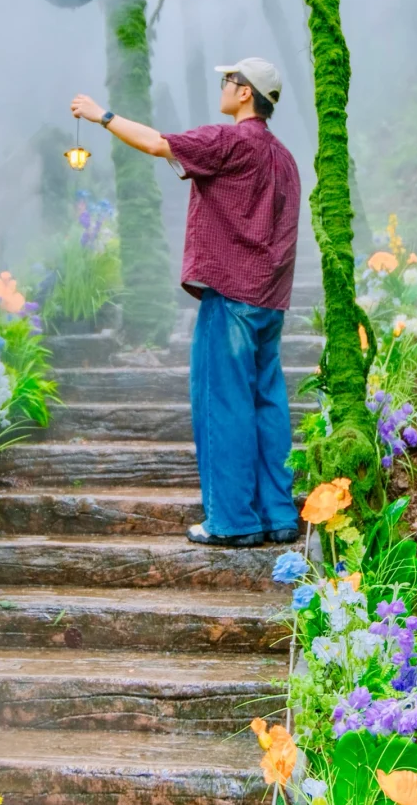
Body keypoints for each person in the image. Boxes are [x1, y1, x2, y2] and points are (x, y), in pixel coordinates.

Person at [71, 56, 300, 548]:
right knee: (267, 402)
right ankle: (279, 513)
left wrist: (101, 115)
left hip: (232, 294)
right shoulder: (284, 158)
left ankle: (233, 519)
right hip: (270, 300)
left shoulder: (229, 140)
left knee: (224, 404)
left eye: (229, 79)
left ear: (246, 94)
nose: (223, 84)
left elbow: (157, 143)